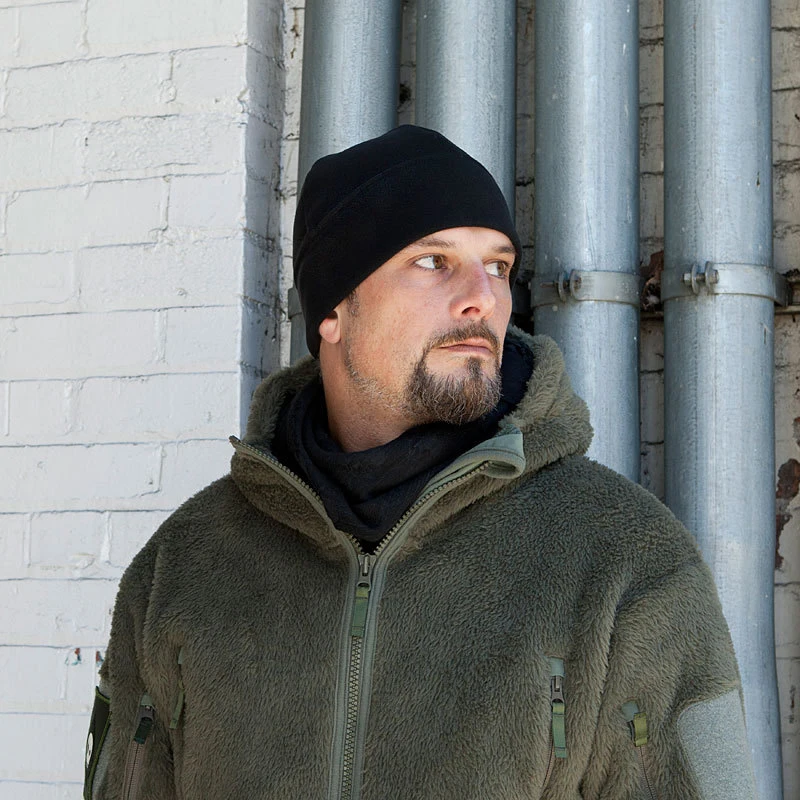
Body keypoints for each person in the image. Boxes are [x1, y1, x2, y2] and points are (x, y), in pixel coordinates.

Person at [84, 125, 756, 800]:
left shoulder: (625, 561)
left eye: (498, 266)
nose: (484, 297)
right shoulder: (181, 569)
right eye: (434, 261)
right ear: (332, 309)